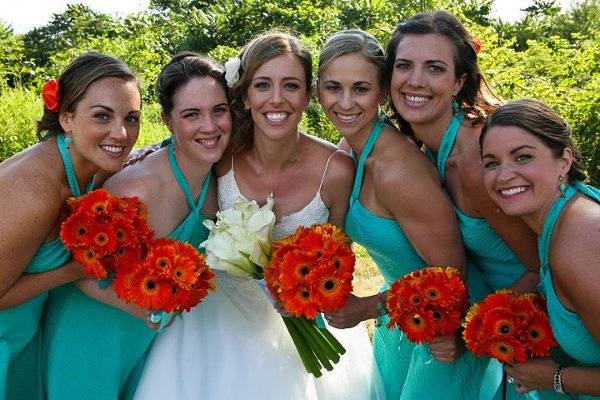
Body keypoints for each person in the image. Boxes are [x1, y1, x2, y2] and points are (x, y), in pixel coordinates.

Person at [134, 31, 384, 400]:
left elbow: (339, 262)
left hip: (299, 333)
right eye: (263, 85)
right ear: (245, 94)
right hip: (216, 322)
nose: (276, 99)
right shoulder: (222, 155)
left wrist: (307, 295)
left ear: (308, 95)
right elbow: (184, 143)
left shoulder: (337, 170)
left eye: (291, 85)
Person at [384, 11, 574, 399]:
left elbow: (544, 263)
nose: (415, 80)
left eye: (434, 68)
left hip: (541, 332)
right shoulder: (424, 147)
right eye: (404, 65)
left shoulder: (475, 157)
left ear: (459, 82)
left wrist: (470, 327)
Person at [317, 28, 491, 400]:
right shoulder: (351, 145)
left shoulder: (398, 170)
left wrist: (366, 307)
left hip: (441, 321)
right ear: (318, 91)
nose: (345, 102)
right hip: (399, 313)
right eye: (333, 88)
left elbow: (453, 275)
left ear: (382, 92)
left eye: (361, 89)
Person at [42, 52, 228, 399]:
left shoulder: (218, 180)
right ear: (168, 120)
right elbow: (78, 269)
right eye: (192, 114)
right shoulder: (136, 189)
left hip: (146, 342)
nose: (210, 126)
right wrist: (149, 309)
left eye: (219, 110)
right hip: (91, 336)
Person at [0, 52, 140, 400]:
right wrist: (77, 270)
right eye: (102, 116)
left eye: (132, 118)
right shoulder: (37, 191)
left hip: (21, 336)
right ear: (66, 117)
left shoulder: (88, 164)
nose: (121, 133)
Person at [480, 99, 600, 399]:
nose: (504, 175)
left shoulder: (578, 241)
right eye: (492, 163)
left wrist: (556, 378)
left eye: (522, 157)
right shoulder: (557, 223)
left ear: (564, 161)